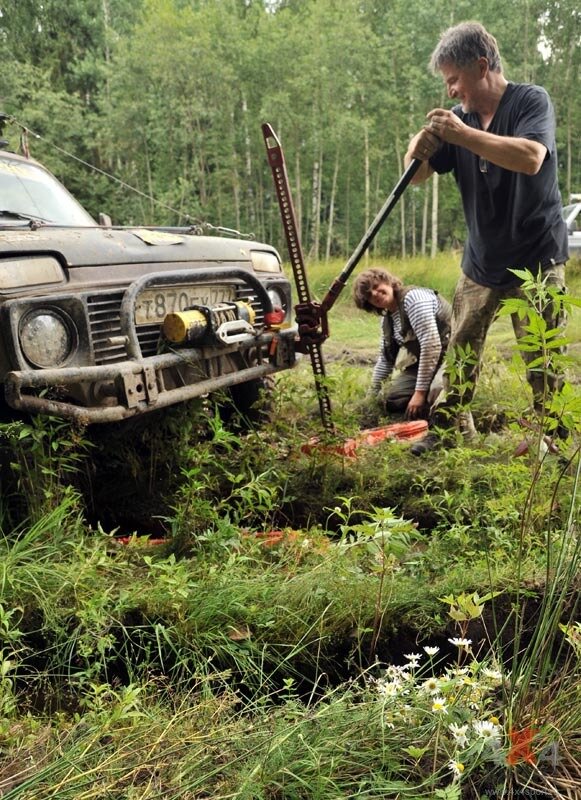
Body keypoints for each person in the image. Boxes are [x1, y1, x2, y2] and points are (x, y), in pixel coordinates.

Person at [404, 21, 569, 455]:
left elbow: (531, 158)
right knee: (460, 349)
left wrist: (461, 135)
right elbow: (417, 176)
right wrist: (418, 145)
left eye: (454, 80)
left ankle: (556, 442)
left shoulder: (531, 101)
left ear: (481, 67)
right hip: (482, 260)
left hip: (537, 259)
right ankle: (444, 432)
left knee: (543, 356)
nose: (451, 91)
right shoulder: (460, 122)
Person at [353, 267, 452, 421]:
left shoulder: (414, 299)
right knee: (394, 399)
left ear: (388, 282)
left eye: (375, 286)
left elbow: (431, 345)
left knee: (437, 392)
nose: (374, 294)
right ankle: (421, 418)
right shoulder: (387, 320)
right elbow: (385, 360)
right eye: (368, 295)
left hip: (453, 356)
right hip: (427, 363)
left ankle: (442, 427)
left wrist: (419, 393)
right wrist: (370, 398)